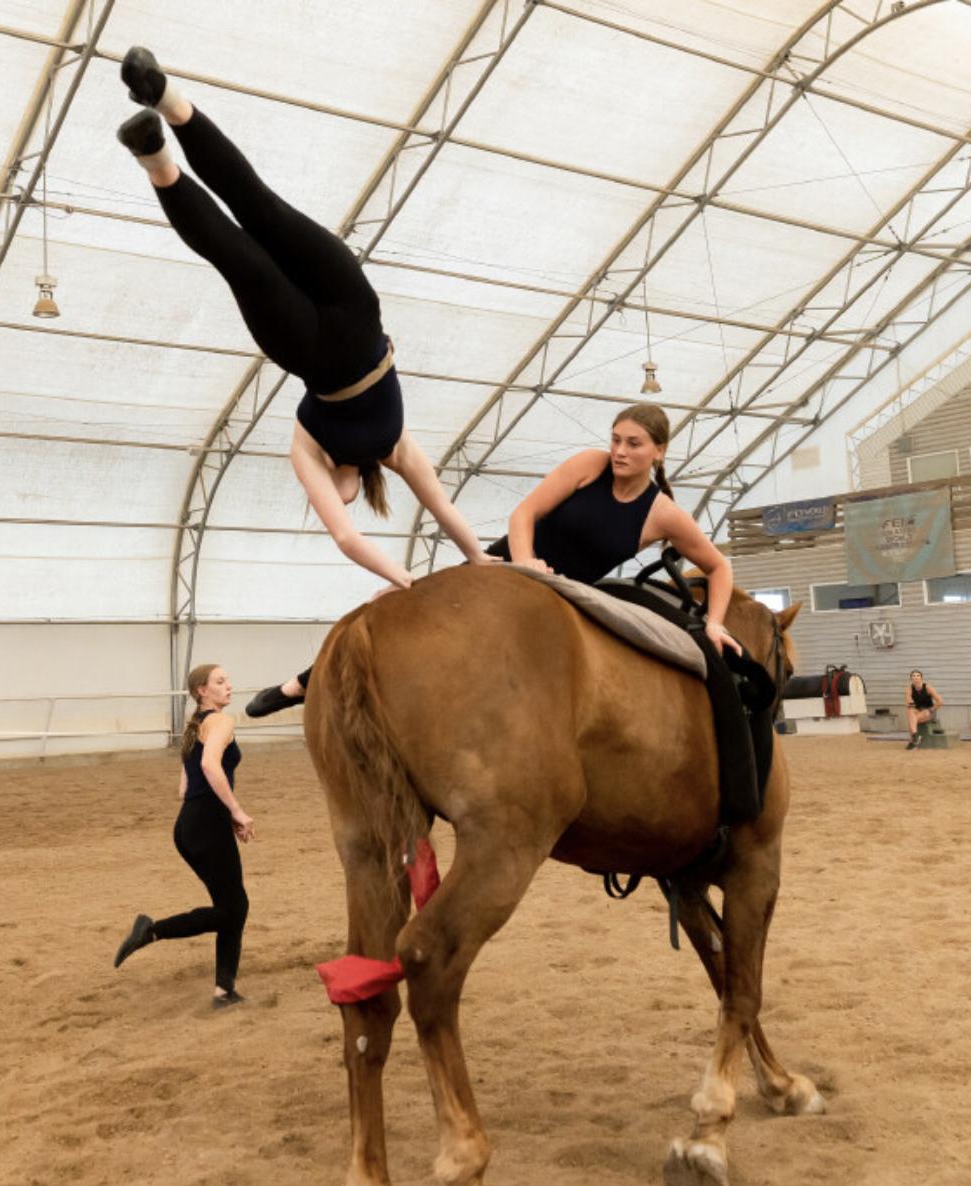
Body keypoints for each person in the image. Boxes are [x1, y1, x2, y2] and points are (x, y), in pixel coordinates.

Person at [115, 47, 491, 597]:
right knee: (262, 208)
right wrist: (473, 562)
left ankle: (155, 159)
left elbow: (343, 536)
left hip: (308, 349)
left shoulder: (307, 447)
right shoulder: (397, 447)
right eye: (346, 494)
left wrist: (404, 579)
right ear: (361, 485)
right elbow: (442, 509)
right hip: (355, 309)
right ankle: (163, 92)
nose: (332, 500)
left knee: (239, 258)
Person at [248, 404, 743, 715]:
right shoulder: (588, 466)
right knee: (397, 605)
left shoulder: (664, 515)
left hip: (570, 598)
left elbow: (720, 566)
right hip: (503, 567)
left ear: (658, 452)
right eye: (615, 439)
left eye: (632, 444)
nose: (618, 450)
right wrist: (525, 565)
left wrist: (716, 623)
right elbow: (524, 513)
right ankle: (301, 684)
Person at [113, 664, 253, 1009]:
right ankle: (151, 930)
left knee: (232, 906)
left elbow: (184, 788)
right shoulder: (220, 722)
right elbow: (209, 767)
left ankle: (224, 991)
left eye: (227, 681)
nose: (229, 686)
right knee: (232, 910)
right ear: (201, 691)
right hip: (207, 825)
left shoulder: (194, 728)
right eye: (220, 682)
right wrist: (235, 810)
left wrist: (221, 811)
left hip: (189, 827)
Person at [904, 670, 942, 750]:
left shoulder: (928, 688)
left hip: (928, 711)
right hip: (917, 710)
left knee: (912, 718)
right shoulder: (909, 689)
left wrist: (932, 709)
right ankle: (915, 738)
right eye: (913, 676)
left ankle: (913, 740)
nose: (916, 677)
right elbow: (909, 701)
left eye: (918, 675)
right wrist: (910, 704)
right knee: (910, 712)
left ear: (921, 678)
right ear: (911, 678)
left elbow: (940, 701)